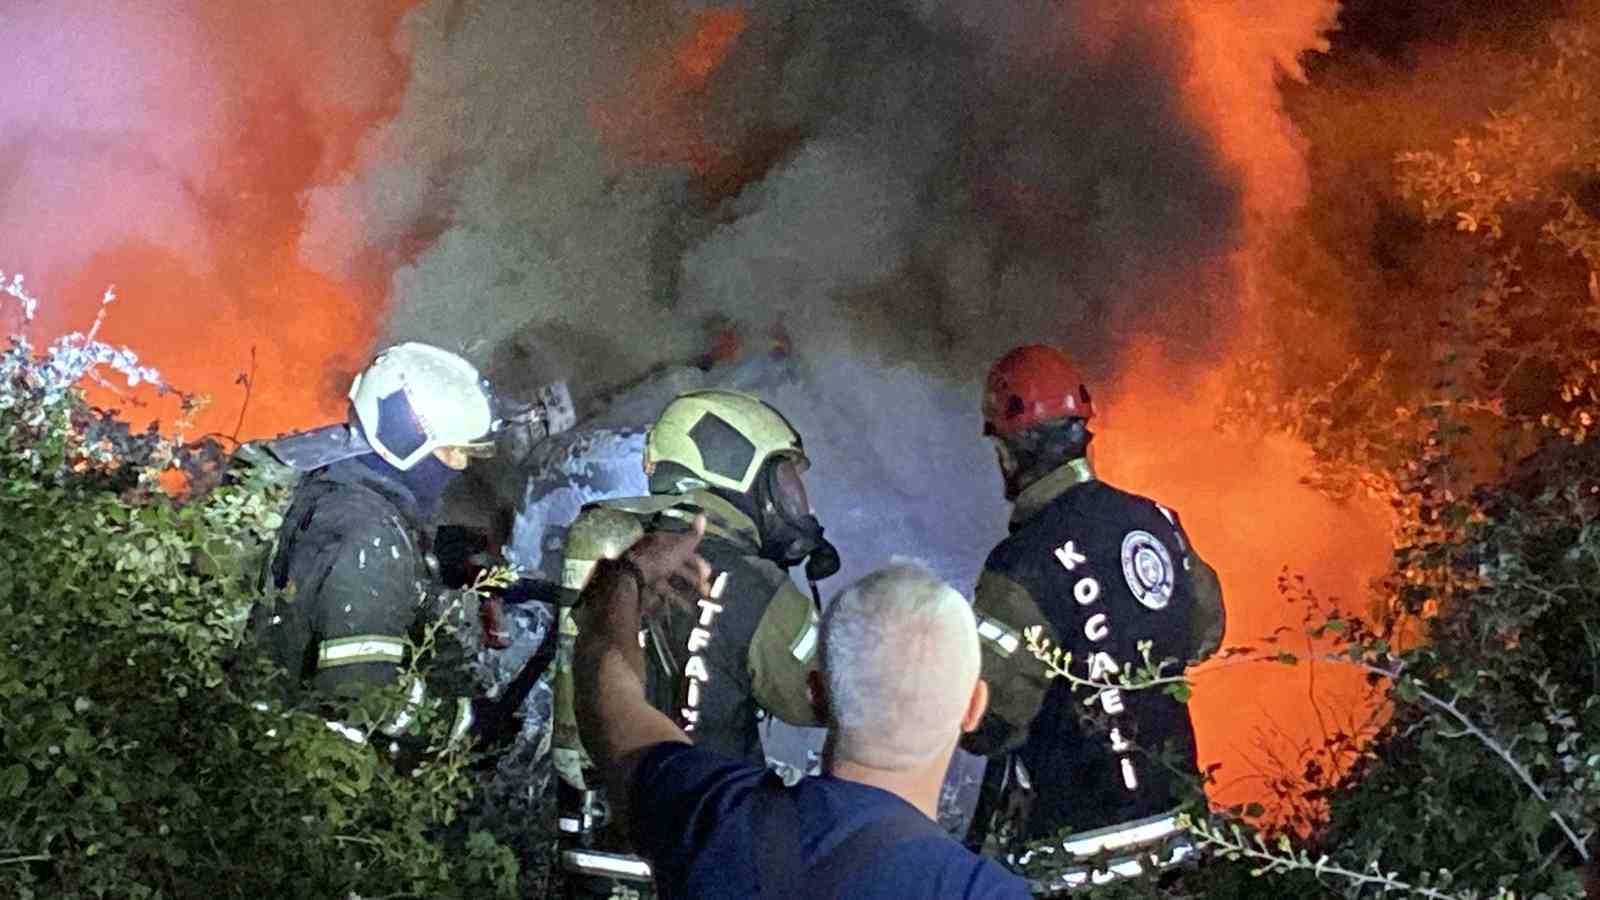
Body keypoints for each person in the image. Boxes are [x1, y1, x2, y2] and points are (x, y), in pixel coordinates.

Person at [573, 523, 1031, 900]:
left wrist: (626, 576)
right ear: (973, 708)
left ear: (816, 692)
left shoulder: (713, 817)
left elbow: (608, 701)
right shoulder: (985, 894)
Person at [962, 344, 1226, 890]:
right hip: (1181, 838)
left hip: (1079, 858)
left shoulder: (1018, 566)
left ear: (1009, 451)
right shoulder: (1156, 522)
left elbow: (989, 721)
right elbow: (1208, 631)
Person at [551, 389, 837, 891]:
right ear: (733, 471)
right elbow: (826, 700)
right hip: (710, 842)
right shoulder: (755, 586)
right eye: (785, 483)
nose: (797, 506)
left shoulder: (624, 551)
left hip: (605, 839)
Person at [246, 341, 542, 756]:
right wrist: (466, 726)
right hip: (293, 762)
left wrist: (430, 558)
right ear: (405, 441)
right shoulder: (372, 538)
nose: (461, 464)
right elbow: (363, 693)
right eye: (451, 450)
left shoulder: (326, 467)